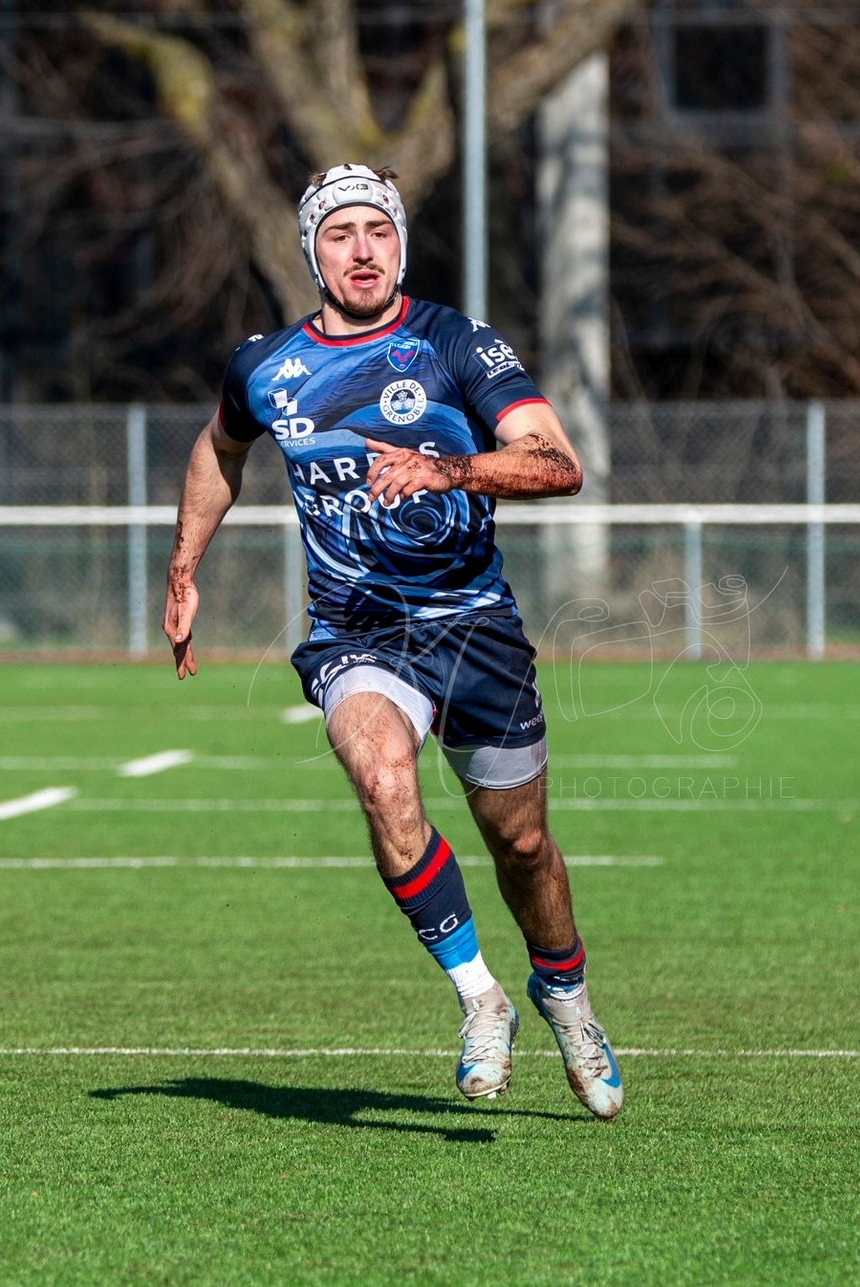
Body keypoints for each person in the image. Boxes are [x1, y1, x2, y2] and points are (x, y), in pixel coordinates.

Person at [161, 164, 622, 1120]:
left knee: (523, 843)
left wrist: (450, 468)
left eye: (378, 230)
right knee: (381, 777)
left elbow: (558, 463)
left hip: (474, 626)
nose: (361, 250)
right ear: (311, 253)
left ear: (400, 243)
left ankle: (564, 993)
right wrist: (184, 565)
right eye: (340, 235)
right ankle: (479, 997)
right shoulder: (266, 366)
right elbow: (220, 446)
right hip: (356, 631)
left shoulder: (453, 342)